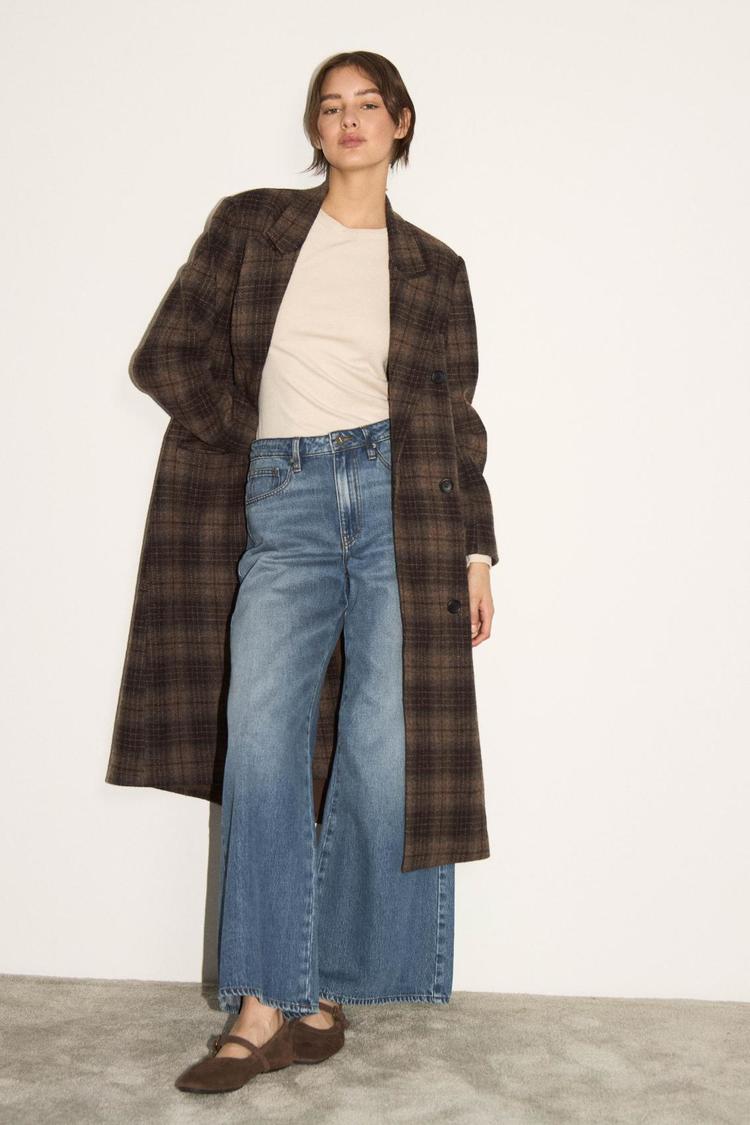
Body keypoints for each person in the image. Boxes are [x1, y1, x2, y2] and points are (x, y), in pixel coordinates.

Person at [118, 50, 496, 1095]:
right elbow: (167, 356)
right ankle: (263, 1003)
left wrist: (476, 549)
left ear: (401, 122)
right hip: (284, 496)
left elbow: (457, 421)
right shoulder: (252, 226)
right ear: (315, 128)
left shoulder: (435, 268)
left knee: (381, 747)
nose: (349, 119)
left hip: (399, 503)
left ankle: (318, 994)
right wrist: (257, 444)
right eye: (331, 106)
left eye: (368, 103)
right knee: (260, 737)